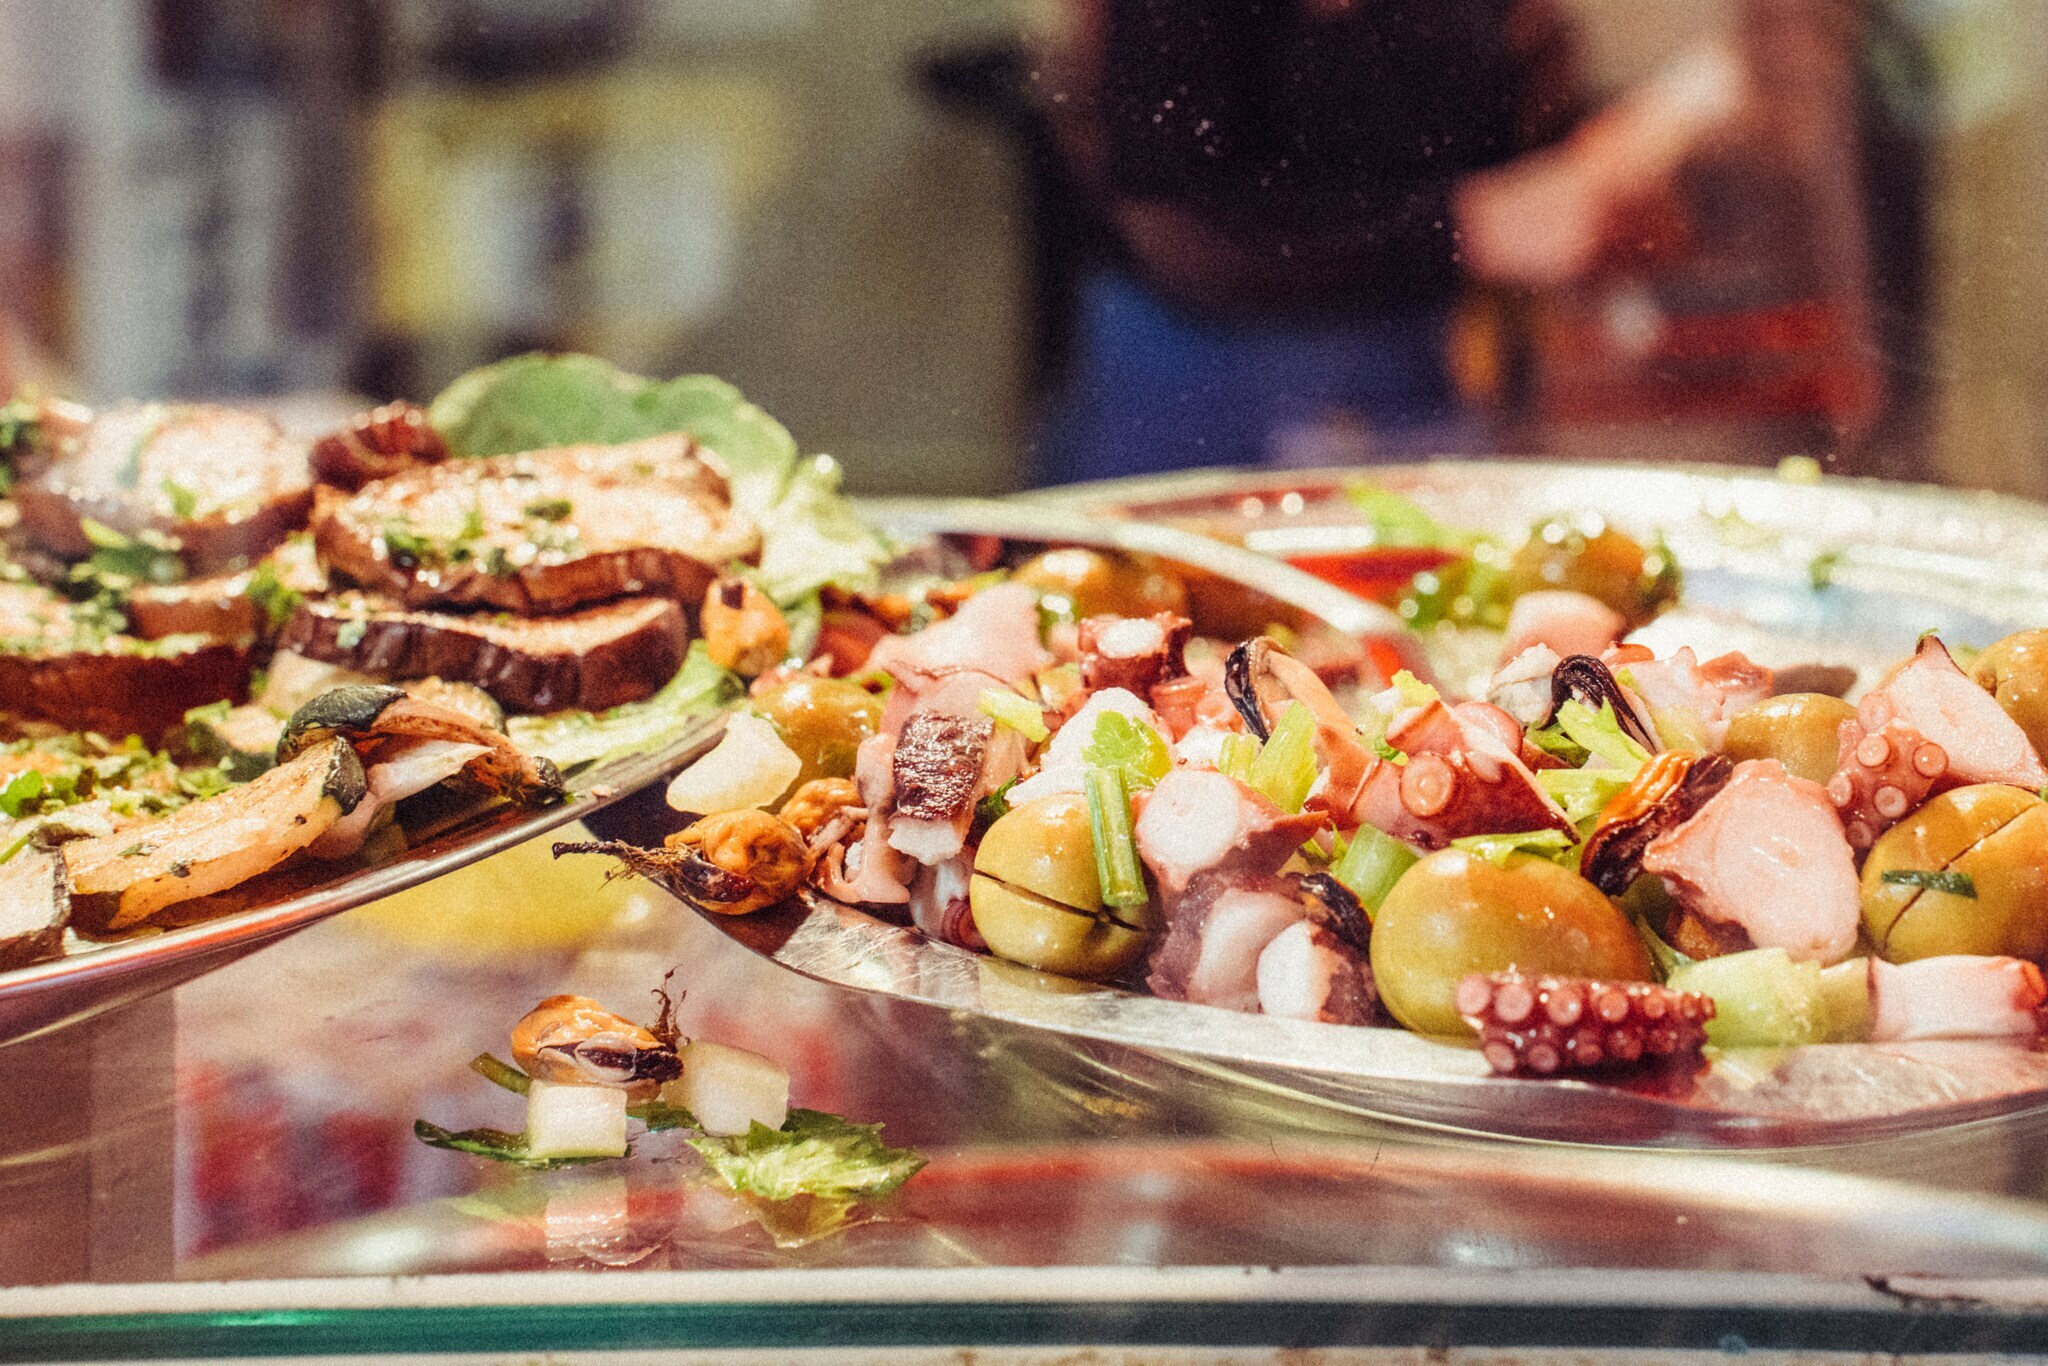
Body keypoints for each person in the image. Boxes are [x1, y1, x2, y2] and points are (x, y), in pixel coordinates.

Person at [1026, 0, 1754, 484]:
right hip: (1201, 381)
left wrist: (1613, 161)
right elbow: (1173, 220)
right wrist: (1469, 226)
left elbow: (1510, 130)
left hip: (1414, 374)